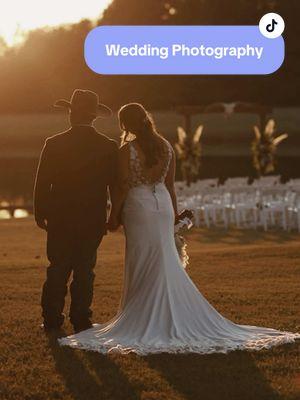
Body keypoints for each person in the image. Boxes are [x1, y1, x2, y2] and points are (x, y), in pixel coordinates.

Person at [58, 103, 299, 354]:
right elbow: (171, 186)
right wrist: (172, 216)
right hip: (161, 204)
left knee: (142, 259)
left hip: (138, 207)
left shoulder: (126, 151)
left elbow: (121, 186)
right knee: (163, 258)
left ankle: (143, 317)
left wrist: (113, 216)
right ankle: (165, 311)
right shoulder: (166, 146)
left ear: (125, 124)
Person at [34, 89, 118, 333]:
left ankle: (51, 318)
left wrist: (40, 213)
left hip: (60, 217)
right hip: (92, 219)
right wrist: (113, 216)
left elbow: (42, 182)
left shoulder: (54, 142)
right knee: (85, 270)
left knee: (57, 268)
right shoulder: (108, 146)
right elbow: (115, 185)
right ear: (93, 117)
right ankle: (81, 318)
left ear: (72, 114)